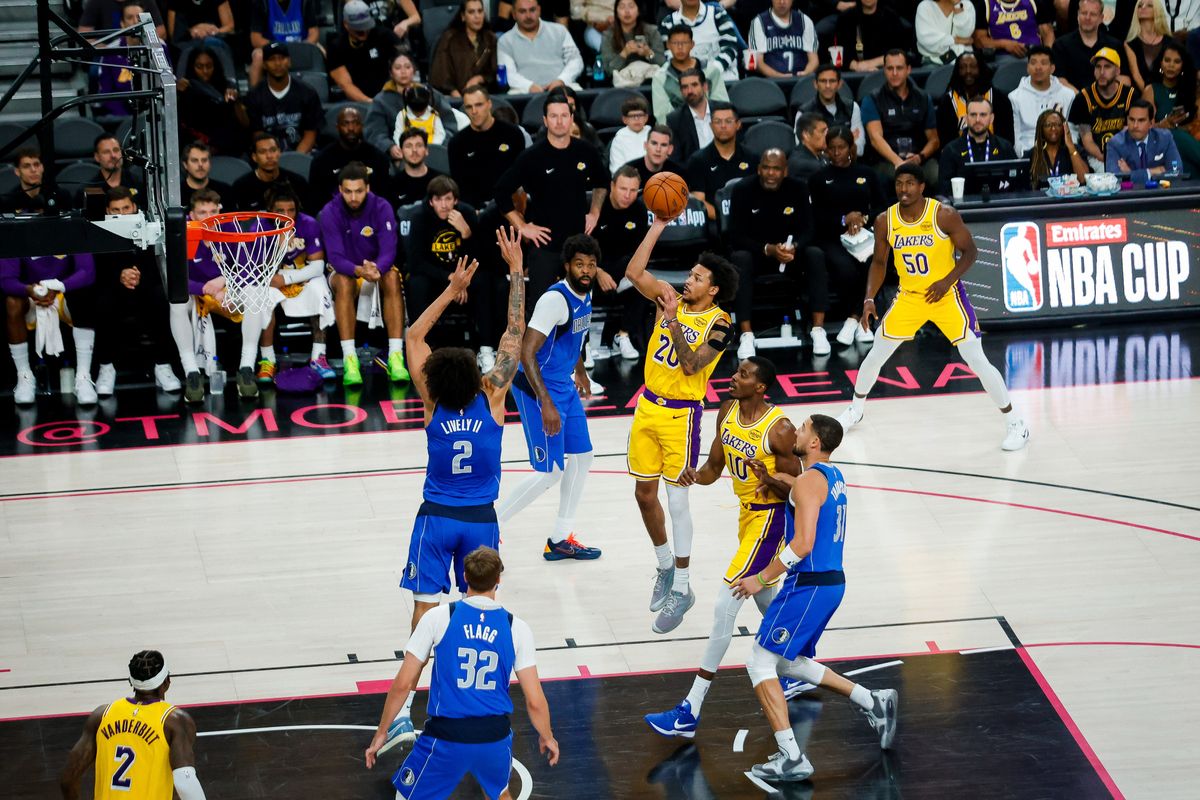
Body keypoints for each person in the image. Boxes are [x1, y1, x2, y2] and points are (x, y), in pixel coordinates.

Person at [377, 232, 525, 747]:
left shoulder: (433, 403)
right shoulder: (494, 394)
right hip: (480, 520)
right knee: (477, 613)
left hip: (435, 519)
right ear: (480, 375)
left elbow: (414, 336)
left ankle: (403, 716)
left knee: (424, 620)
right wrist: (516, 269)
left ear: (437, 378)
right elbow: (514, 330)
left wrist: (451, 287)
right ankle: (465, 700)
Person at [732, 414, 898, 782]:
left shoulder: (808, 483)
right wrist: (774, 480)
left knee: (759, 662)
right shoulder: (831, 476)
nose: (796, 430)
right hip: (829, 582)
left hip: (808, 585)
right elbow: (802, 490)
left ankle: (791, 756)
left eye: (803, 428)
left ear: (814, 444)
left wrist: (760, 579)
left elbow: (802, 543)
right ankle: (874, 701)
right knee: (788, 663)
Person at [643, 356, 801, 739]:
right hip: (746, 518)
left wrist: (770, 478)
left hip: (770, 521)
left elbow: (799, 487)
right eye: (737, 371)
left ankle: (690, 708)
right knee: (768, 603)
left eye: (744, 375)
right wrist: (696, 475)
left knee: (724, 604)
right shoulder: (727, 409)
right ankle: (799, 668)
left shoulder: (779, 429)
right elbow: (715, 466)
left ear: (760, 387)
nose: (734, 377)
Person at [835, 163, 1030, 451]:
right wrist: (868, 299)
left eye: (910, 183)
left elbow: (971, 252)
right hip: (910, 297)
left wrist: (946, 281)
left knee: (975, 357)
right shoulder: (885, 220)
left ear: (922, 186)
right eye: (899, 183)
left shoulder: (943, 215)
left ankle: (1016, 423)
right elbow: (878, 263)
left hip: (946, 295)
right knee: (876, 353)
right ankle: (855, 409)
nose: (904, 189)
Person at [365, 546, 559, 795]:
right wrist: (547, 736)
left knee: (406, 794)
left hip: (448, 735)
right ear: (498, 580)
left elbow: (403, 684)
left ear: (464, 577)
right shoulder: (517, 628)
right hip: (494, 736)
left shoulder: (438, 617)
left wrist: (382, 732)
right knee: (501, 792)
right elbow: (534, 700)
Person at [623, 218, 738, 634]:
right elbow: (634, 273)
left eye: (697, 277)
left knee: (677, 503)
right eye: (689, 274)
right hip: (647, 408)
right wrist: (656, 226)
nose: (688, 281)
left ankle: (684, 589)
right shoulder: (669, 297)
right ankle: (666, 567)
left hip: (682, 416)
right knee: (643, 494)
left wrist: (671, 320)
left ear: (714, 289)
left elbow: (691, 365)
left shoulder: (721, 323)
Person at [496, 235, 605, 560]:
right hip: (536, 388)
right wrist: (545, 402)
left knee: (583, 458)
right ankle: (490, 526)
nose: (586, 270)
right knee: (550, 471)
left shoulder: (585, 292)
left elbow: (575, 336)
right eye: (579, 264)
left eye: (591, 264)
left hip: (563, 384)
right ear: (567, 266)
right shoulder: (554, 300)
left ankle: (560, 538)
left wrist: (581, 370)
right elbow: (526, 354)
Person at [494, 93, 608, 306]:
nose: (559, 121)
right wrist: (522, 226)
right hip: (545, 245)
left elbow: (602, 183)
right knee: (541, 308)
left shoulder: (586, 150)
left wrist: (594, 213)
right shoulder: (532, 156)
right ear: (545, 120)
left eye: (564, 115)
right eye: (553, 116)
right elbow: (501, 191)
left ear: (572, 119)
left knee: (579, 307)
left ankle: (582, 341)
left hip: (579, 246)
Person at [59, 650, 206, 800]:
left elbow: (67, 779)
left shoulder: (102, 715)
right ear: (167, 681)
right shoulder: (175, 722)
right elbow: (185, 783)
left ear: (131, 681)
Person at [728, 149, 827, 359]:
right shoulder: (742, 189)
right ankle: (746, 333)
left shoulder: (799, 188)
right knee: (740, 259)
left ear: (785, 171)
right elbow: (735, 235)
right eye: (766, 167)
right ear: (758, 169)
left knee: (815, 254)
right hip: (757, 254)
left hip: (790, 255)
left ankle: (818, 329)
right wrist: (767, 249)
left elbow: (810, 229)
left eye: (776, 169)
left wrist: (795, 246)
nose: (770, 173)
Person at [179, 189, 276, 399]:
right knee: (176, 302)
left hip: (225, 291)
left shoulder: (228, 227)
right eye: (202, 213)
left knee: (255, 290)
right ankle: (192, 374)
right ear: (192, 215)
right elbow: (176, 279)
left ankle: (246, 368)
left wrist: (223, 281)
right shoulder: (183, 232)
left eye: (213, 211)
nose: (210, 218)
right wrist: (204, 288)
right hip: (196, 294)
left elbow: (246, 269)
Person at [320, 162, 409, 385]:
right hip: (347, 270)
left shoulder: (382, 207)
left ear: (367, 188)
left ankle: (395, 357)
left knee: (392, 276)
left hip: (376, 269)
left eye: (358, 191)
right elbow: (335, 257)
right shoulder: (329, 212)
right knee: (344, 281)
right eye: (348, 191)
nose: (353, 197)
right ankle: (350, 358)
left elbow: (390, 249)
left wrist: (376, 269)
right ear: (340, 189)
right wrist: (359, 270)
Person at [403, 175, 504, 367]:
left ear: (455, 200)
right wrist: (451, 279)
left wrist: (466, 234)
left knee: (485, 281)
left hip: (464, 276)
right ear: (431, 201)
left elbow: (481, 259)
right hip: (436, 276)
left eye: (448, 199)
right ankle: (423, 348)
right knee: (416, 283)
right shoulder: (419, 217)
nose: (444, 205)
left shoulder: (466, 213)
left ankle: (485, 349)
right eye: (438, 200)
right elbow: (417, 262)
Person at [92, 187, 182, 396]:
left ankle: (163, 365)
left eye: (126, 208)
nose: (123, 214)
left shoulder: (148, 226)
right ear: (107, 210)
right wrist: (120, 276)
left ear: (134, 206)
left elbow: (157, 263)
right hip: (113, 287)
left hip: (145, 284)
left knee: (161, 297)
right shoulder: (99, 230)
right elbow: (97, 269)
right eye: (116, 209)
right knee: (102, 302)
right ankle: (106, 367)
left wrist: (136, 275)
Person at [808, 126, 886, 346]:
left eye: (841, 147)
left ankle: (856, 320)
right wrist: (843, 219)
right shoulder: (818, 178)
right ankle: (857, 317)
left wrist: (863, 218)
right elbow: (816, 215)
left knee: (871, 262)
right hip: (831, 237)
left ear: (850, 147)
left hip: (864, 236)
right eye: (831, 148)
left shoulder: (867, 174)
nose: (836, 153)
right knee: (846, 268)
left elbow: (882, 207)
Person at [254, 188, 334, 383]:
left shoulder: (308, 224)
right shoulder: (258, 227)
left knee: (320, 290)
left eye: (291, 210)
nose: (287, 215)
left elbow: (317, 266)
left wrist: (288, 279)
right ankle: (268, 359)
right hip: (270, 277)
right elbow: (254, 266)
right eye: (280, 211)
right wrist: (280, 244)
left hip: (300, 275)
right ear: (270, 210)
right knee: (263, 298)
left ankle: (318, 357)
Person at [1, 250, 98, 405]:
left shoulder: (71, 227)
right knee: (12, 303)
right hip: (32, 295)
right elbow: (6, 280)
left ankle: (83, 377)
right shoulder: (17, 227)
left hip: (62, 292)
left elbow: (87, 271)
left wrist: (59, 286)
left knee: (85, 297)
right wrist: (29, 290)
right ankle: (24, 376)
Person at [591, 165, 652, 357]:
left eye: (633, 190)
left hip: (622, 272)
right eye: (623, 189)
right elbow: (579, 249)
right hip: (593, 270)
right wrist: (598, 272)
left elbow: (639, 254)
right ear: (612, 186)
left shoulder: (639, 210)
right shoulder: (595, 208)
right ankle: (582, 346)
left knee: (645, 281)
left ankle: (623, 335)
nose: (628, 195)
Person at [862, 50, 940, 187]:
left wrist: (919, 157)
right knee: (896, 179)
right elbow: (875, 139)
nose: (894, 73)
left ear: (908, 70)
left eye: (899, 68)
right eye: (890, 68)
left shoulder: (923, 98)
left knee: (936, 174)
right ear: (884, 70)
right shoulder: (872, 99)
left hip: (918, 159)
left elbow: (934, 140)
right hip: (887, 161)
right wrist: (898, 162)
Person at [366, 51, 461, 161]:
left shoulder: (431, 94)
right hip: (401, 155)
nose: (403, 71)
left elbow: (449, 123)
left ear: (414, 70)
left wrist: (441, 145)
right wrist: (390, 147)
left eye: (407, 67)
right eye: (398, 68)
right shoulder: (381, 101)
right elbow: (375, 133)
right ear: (391, 73)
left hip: (435, 149)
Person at [446, 86, 527, 210]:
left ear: (489, 104)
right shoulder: (457, 143)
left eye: (479, 105)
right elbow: (460, 187)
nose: (474, 111)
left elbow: (521, 177)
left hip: (511, 208)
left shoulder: (512, 134)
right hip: (475, 211)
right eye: (469, 107)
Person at [244, 41, 322, 153]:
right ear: (264, 65)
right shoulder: (254, 96)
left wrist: (294, 160)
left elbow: (310, 135)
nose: (278, 63)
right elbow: (258, 136)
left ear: (289, 62)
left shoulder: (307, 92)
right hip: (268, 156)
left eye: (282, 58)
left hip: (301, 155)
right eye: (272, 59)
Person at [685, 100, 754, 224]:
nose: (723, 126)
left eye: (728, 121)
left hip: (750, 222)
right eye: (718, 122)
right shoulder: (698, 160)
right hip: (714, 226)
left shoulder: (752, 158)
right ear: (711, 125)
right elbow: (698, 201)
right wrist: (725, 218)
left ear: (738, 124)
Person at [310, 106, 391, 210]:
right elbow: (316, 201)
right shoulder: (321, 161)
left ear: (362, 126)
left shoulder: (378, 158)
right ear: (337, 127)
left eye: (355, 123)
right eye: (345, 124)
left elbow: (384, 196)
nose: (351, 128)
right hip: (334, 216)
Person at [934, 51, 1016, 153]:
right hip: (960, 159)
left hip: (994, 156)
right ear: (957, 71)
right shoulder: (947, 102)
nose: (968, 71)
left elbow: (1008, 140)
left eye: (973, 66)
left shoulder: (999, 99)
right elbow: (945, 143)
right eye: (963, 67)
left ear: (980, 69)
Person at [1068, 47, 1137, 168]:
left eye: (1107, 67)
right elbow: (1087, 140)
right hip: (1094, 157)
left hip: (1124, 153)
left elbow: (1130, 133)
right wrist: (1103, 157)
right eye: (1098, 67)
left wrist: (1117, 157)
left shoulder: (1130, 96)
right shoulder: (1083, 98)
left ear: (1117, 71)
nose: (1102, 72)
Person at [497, 0, 583, 94]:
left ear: (539, 10)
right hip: (524, 91)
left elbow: (576, 61)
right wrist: (529, 86)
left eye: (532, 10)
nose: (528, 16)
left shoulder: (559, 31)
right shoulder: (505, 41)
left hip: (561, 87)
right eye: (522, 11)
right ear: (514, 14)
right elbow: (508, 73)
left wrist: (561, 80)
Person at [937, 97, 1019, 195]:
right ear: (966, 118)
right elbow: (944, 189)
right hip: (962, 207)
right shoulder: (950, 150)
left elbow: (1016, 183)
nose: (977, 119)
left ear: (991, 118)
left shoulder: (1005, 147)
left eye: (983, 115)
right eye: (973, 115)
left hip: (999, 205)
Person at [176, 46, 247, 157]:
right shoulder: (185, 89)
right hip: (196, 148)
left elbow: (245, 124)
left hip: (227, 148)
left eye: (209, 66)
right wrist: (177, 93)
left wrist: (236, 102)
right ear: (192, 66)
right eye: (199, 66)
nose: (205, 71)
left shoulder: (226, 88)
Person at [1141, 41, 1200, 174]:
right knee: (1174, 135)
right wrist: (1166, 124)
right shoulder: (1151, 90)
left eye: (1177, 61)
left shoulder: (1190, 90)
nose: (1171, 66)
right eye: (1167, 60)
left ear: (1183, 65)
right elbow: (1144, 129)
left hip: (1186, 150)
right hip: (1159, 143)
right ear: (1161, 62)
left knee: (1189, 168)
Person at [326, 0, 401, 102]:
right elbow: (345, 84)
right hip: (356, 101)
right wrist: (370, 102)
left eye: (366, 26)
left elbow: (403, 65)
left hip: (387, 94)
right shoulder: (336, 47)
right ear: (346, 24)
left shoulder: (385, 36)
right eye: (359, 28)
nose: (364, 31)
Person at [1009, 44, 1078, 154]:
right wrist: (1024, 158)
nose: (1038, 67)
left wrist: (1068, 153)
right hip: (1029, 153)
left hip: (1061, 153)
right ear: (1027, 67)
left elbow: (1073, 132)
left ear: (1052, 68)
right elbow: (1016, 137)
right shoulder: (1014, 97)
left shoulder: (1068, 95)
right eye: (1033, 62)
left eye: (1044, 63)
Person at [651, 24, 729, 122]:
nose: (680, 47)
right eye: (675, 43)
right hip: (676, 130)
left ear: (692, 44)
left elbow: (722, 104)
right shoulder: (660, 77)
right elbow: (662, 115)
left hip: (710, 125)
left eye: (684, 43)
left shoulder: (711, 70)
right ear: (668, 45)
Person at [1053, 0, 1129, 90]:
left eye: (1093, 14)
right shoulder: (1061, 45)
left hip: (1107, 101)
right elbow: (1059, 80)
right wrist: (1083, 99)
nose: (1087, 18)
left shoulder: (1115, 45)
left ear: (1101, 18)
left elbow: (1125, 79)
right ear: (1077, 15)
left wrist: (1102, 96)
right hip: (1074, 100)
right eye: (1084, 13)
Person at [429, 0, 499, 98]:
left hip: (486, 96)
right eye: (471, 12)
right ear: (463, 16)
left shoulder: (491, 38)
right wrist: (456, 96)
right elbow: (441, 74)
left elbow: (496, 72)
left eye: (480, 11)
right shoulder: (449, 39)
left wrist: (480, 78)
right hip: (455, 98)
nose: (477, 16)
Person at [658, 0, 740, 82]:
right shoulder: (668, 22)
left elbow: (730, 48)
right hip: (688, 86)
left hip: (725, 80)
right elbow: (669, 56)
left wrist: (710, 72)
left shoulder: (718, 14)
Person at [247, 0, 321, 87]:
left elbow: (314, 32)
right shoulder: (262, 3)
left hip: (300, 45)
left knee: (321, 52)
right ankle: (254, 97)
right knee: (258, 56)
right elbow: (255, 39)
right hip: (272, 48)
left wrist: (302, 46)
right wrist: (279, 48)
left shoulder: (304, 2)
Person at [232, 132, 311, 212]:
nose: (269, 156)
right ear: (254, 157)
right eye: (262, 152)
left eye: (273, 150)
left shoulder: (297, 182)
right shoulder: (241, 187)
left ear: (279, 152)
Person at [1105, 97, 1182, 179]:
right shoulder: (1115, 143)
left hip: (1160, 189)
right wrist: (1154, 171)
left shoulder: (1165, 138)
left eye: (1141, 120)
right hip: (1131, 191)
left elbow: (1177, 172)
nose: (1135, 126)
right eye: (1131, 120)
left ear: (1151, 123)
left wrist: (1130, 173)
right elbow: (1113, 178)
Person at [796, 65, 865, 156]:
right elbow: (802, 149)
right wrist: (847, 142)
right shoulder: (804, 112)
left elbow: (860, 149)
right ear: (815, 84)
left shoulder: (852, 107)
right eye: (823, 81)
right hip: (818, 167)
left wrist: (820, 147)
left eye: (832, 81)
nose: (828, 86)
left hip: (848, 165)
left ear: (839, 84)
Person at [835, 0, 913, 72]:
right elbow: (839, 52)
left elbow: (900, 51)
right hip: (852, 72)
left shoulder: (891, 17)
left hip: (886, 71)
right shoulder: (845, 18)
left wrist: (869, 64)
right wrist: (856, 66)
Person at [600, 0, 665, 87]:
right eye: (622, 7)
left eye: (631, 6)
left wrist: (648, 53)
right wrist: (624, 54)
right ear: (616, 12)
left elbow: (663, 64)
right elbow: (608, 70)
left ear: (638, 11)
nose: (627, 11)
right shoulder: (608, 35)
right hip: (621, 84)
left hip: (650, 81)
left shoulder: (652, 31)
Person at [747, 0, 818, 78]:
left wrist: (805, 73)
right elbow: (758, 63)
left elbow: (814, 59)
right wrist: (780, 77)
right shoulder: (759, 22)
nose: (782, 2)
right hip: (771, 82)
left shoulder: (804, 21)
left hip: (800, 80)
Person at [666, 68, 718, 162]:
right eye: (685, 87)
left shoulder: (723, 110)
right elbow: (676, 159)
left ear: (705, 86)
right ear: (681, 91)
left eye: (694, 85)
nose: (690, 91)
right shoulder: (674, 119)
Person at [972, 0, 1055, 58]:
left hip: (1034, 56)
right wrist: (1004, 44)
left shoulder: (1034, 2)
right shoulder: (985, 5)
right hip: (1001, 57)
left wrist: (1047, 55)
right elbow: (979, 41)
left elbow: (1048, 33)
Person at [1027, 107, 1090, 184]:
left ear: (1064, 128)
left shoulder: (1075, 150)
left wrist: (1071, 147)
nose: (1053, 128)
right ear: (1041, 129)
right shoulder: (1032, 155)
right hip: (1041, 195)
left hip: (1069, 195)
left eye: (1058, 124)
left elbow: (1084, 179)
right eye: (1048, 125)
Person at [1, 148, 69, 215]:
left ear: (42, 167)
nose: (33, 170)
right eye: (26, 166)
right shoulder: (9, 201)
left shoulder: (60, 195)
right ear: (17, 171)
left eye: (36, 165)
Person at [1124, 0, 1172, 91]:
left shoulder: (1169, 41)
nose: (1143, 8)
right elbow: (1136, 75)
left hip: (1167, 93)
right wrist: (1150, 96)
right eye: (1140, 6)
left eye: (1149, 5)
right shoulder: (1130, 43)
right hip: (1140, 96)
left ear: (1157, 11)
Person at [390, 128, 444, 207]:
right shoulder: (392, 185)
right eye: (408, 146)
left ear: (426, 150)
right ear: (401, 152)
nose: (414, 150)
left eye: (419, 145)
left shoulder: (442, 182)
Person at [916, 0, 977, 64]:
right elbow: (927, 40)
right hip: (934, 60)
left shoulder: (967, 4)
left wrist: (958, 8)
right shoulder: (925, 6)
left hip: (964, 60)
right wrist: (956, 40)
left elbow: (965, 35)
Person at [89, 133, 146, 199]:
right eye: (106, 152)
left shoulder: (138, 184)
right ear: (97, 157)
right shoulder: (91, 190)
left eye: (116, 150)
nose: (113, 155)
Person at [608, 95, 652, 174]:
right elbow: (616, 169)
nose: (636, 119)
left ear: (646, 118)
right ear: (624, 119)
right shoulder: (619, 139)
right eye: (632, 116)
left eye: (639, 115)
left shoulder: (653, 134)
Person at [180, 141, 232, 208]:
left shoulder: (225, 191)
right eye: (194, 160)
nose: (200, 165)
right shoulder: (177, 194)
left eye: (204, 160)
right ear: (185, 165)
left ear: (210, 163)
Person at [787, 112, 828, 181]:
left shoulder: (819, 156)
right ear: (806, 135)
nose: (827, 135)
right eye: (822, 131)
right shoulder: (803, 164)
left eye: (827, 131)